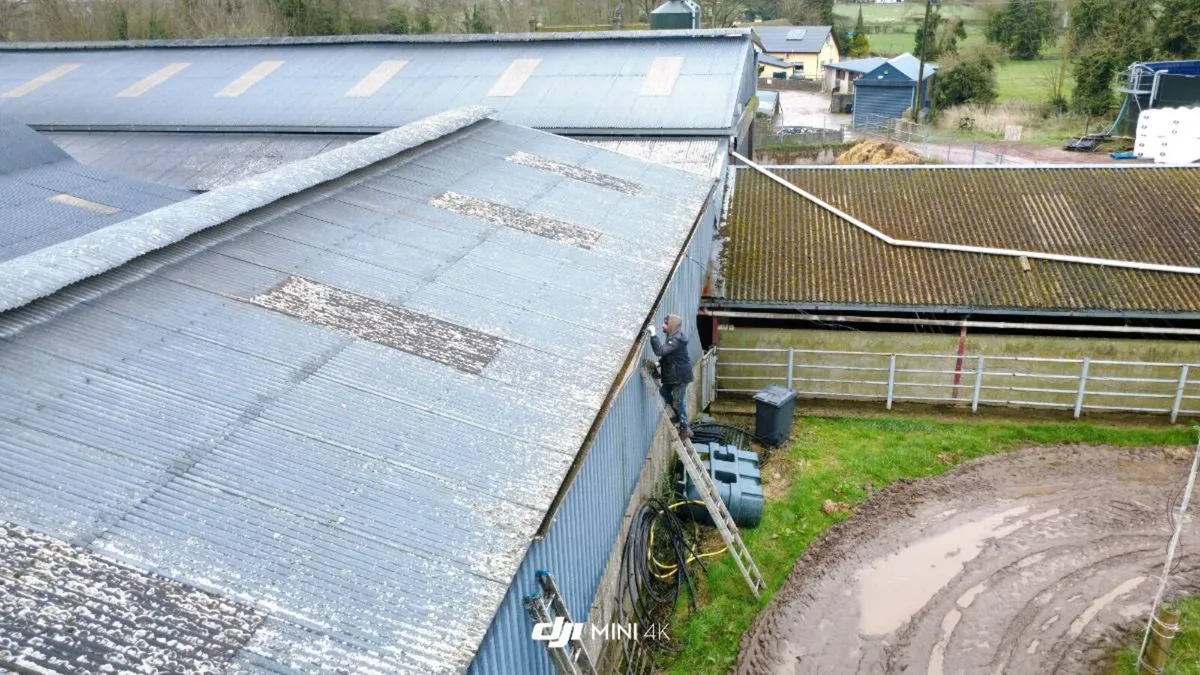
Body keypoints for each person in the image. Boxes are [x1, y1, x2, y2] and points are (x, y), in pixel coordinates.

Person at [647, 314, 693, 439]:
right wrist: (659, 363)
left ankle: (684, 429)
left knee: (678, 401)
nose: (663, 325)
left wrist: (653, 334)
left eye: (666, 323)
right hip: (674, 375)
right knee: (663, 391)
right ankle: (678, 416)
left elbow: (660, 351)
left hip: (680, 377)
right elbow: (670, 357)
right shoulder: (673, 337)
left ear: (672, 325)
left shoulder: (676, 340)